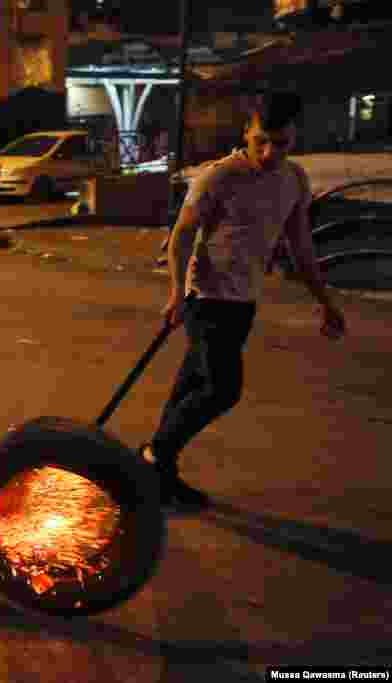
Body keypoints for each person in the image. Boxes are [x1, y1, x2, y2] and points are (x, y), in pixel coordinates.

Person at [142, 93, 347, 508]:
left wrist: (325, 301)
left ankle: (157, 474)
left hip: (244, 300)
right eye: (261, 141)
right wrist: (177, 292)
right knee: (222, 389)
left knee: (193, 385)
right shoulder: (218, 177)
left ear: (294, 139)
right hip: (206, 297)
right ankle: (154, 455)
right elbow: (181, 236)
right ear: (246, 134)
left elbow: (301, 246)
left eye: (282, 143)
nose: (270, 152)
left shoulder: (294, 181)